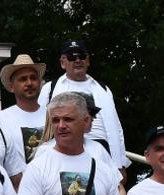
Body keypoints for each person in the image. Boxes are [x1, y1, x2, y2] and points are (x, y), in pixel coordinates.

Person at [43, 41, 127, 177]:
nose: (77, 60)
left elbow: (116, 128)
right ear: (63, 62)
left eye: (81, 56)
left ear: (87, 61)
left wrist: (120, 162)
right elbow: (41, 124)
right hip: (66, 150)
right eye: (71, 56)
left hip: (103, 151)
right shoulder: (50, 89)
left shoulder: (103, 89)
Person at [0, 53, 49, 167]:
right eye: (22, 79)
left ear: (40, 82)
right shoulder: (0, 119)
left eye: (33, 78)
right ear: (12, 86)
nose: (29, 83)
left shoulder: (53, 116)